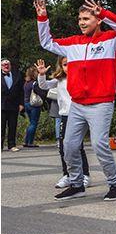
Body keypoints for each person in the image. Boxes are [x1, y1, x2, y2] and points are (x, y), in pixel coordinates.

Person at [35, 0, 116, 201]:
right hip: (77, 104)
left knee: (99, 145)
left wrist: (103, 12)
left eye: (86, 18)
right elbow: (46, 41)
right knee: (68, 146)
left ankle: (115, 185)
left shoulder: (112, 39)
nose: (82, 22)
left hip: (101, 103)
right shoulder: (72, 44)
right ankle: (77, 184)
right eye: (79, 19)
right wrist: (42, 17)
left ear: (98, 21)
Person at [36, 58, 90, 189]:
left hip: (78, 115)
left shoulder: (82, 77)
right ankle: (67, 174)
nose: (68, 67)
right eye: (65, 65)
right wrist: (42, 74)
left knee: (77, 146)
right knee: (62, 147)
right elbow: (43, 86)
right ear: (61, 66)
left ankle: (84, 175)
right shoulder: (59, 80)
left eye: (70, 64)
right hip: (65, 116)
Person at [1, 59, 24, 152]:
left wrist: (21, 103)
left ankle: (12, 145)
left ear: (10, 65)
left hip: (14, 105)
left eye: (7, 64)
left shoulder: (17, 75)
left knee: (13, 126)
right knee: (1, 126)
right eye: (4, 65)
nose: (6, 66)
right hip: (1, 105)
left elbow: (21, 91)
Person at [23, 66, 47, 147]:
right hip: (34, 104)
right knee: (33, 123)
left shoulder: (26, 83)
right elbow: (41, 92)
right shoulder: (34, 83)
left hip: (26, 103)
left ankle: (26, 141)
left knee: (31, 123)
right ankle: (30, 142)